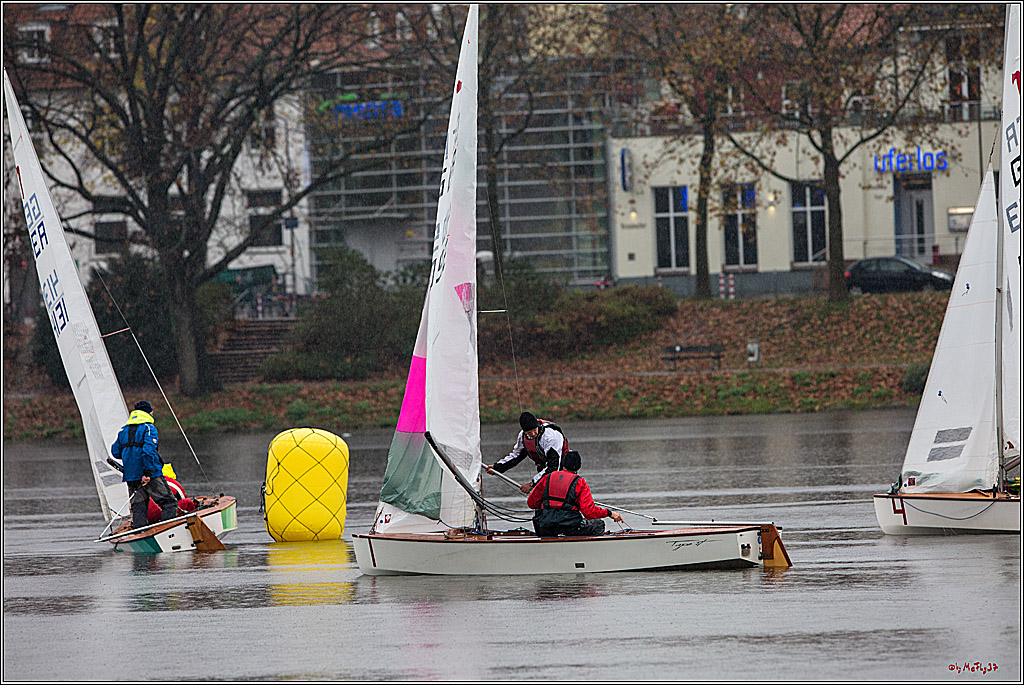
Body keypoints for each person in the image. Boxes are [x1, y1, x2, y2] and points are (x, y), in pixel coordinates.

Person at [110, 400, 177, 529]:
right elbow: (149, 451)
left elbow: (115, 452)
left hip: (131, 477)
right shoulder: (148, 428)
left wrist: (130, 456)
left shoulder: (123, 431)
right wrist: (147, 473)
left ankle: (140, 534)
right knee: (169, 503)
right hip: (151, 475)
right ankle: (169, 530)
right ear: (148, 412)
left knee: (139, 508)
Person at [527, 450, 623, 537]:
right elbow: (589, 512)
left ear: (563, 465)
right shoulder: (579, 482)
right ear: (578, 466)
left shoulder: (547, 477)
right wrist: (609, 513)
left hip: (545, 527)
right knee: (598, 524)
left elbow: (531, 503)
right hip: (570, 527)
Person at [485, 411, 569, 493]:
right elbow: (516, 455)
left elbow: (553, 466)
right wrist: (497, 467)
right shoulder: (522, 436)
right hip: (544, 469)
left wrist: (532, 484)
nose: (532, 434)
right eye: (529, 432)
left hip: (562, 469)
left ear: (537, 426)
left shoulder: (550, 436)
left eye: (534, 430)